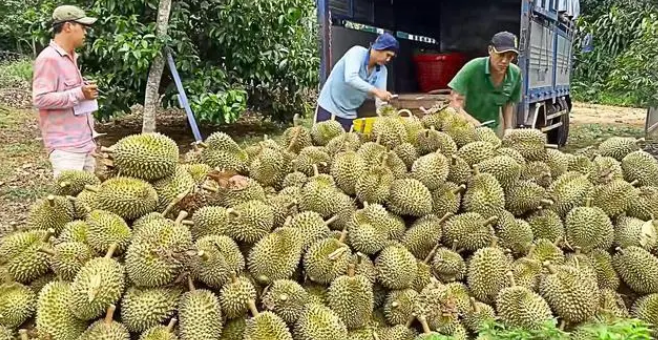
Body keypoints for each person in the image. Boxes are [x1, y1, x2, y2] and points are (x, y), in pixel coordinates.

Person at [32, 5, 100, 179]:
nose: (85, 33)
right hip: (66, 148)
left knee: (87, 201)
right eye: (83, 27)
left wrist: (83, 92)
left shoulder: (71, 57)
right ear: (68, 26)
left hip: (84, 142)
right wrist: (79, 94)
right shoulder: (49, 59)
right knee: (68, 202)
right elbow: (40, 99)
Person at [315, 33, 399, 132]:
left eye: (391, 57)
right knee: (321, 145)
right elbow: (350, 78)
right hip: (329, 106)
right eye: (387, 54)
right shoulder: (357, 53)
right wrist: (376, 91)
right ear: (379, 48)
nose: (388, 59)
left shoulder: (382, 71)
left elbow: (379, 97)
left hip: (349, 113)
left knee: (346, 146)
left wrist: (385, 112)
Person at [447, 31, 523, 137]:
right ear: (490, 50)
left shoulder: (515, 73)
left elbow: (509, 103)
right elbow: (454, 103)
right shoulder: (473, 67)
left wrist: (508, 128)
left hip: (493, 131)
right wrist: (475, 124)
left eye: (510, 56)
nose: (505, 60)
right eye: (501, 55)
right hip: (465, 129)